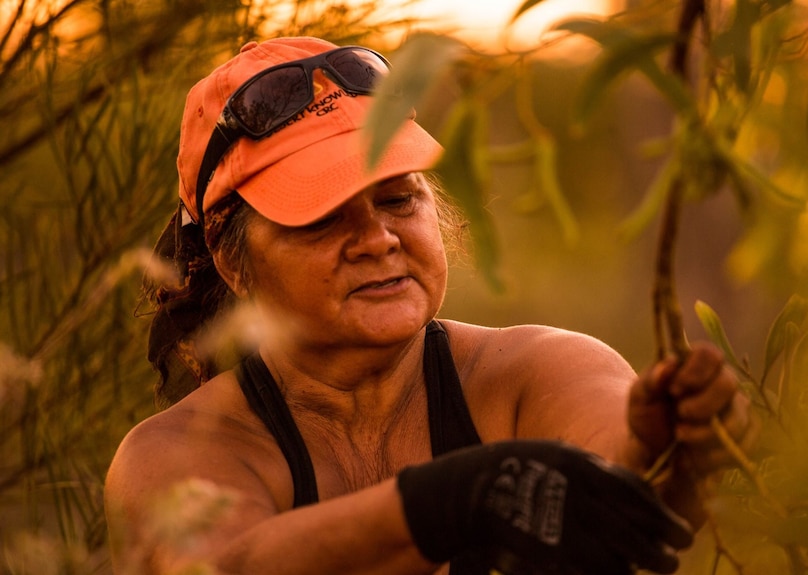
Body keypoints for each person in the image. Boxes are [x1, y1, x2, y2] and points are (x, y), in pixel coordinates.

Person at [105, 36, 757, 575]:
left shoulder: (537, 372)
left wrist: (668, 439)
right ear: (228, 256)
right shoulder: (175, 455)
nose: (378, 239)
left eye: (397, 198)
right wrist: (449, 501)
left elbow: (618, 466)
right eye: (323, 217)